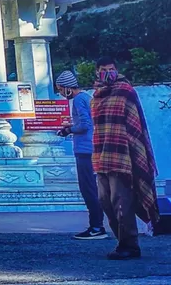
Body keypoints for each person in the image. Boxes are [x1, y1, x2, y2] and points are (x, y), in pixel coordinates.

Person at [91, 56, 159, 260]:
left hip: (123, 155)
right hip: (102, 155)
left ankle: (130, 245)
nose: (108, 72)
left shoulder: (125, 90)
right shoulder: (96, 95)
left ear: (117, 69)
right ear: (97, 72)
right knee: (105, 201)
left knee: (120, 201)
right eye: (104, 69)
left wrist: (135, 153)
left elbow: (135, 124)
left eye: (111, 68)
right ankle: (121, 241)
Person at [55, 70, 106, 240]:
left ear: (67, 88)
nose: (61, 94)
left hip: (84, 149)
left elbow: (84, 125)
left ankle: (96, 227)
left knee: (88, 188)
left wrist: (68, 130)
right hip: (92, 147)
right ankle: (97, 225)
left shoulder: (77, 100)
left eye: (61, 90)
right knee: (93, 188)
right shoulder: (85, 97)